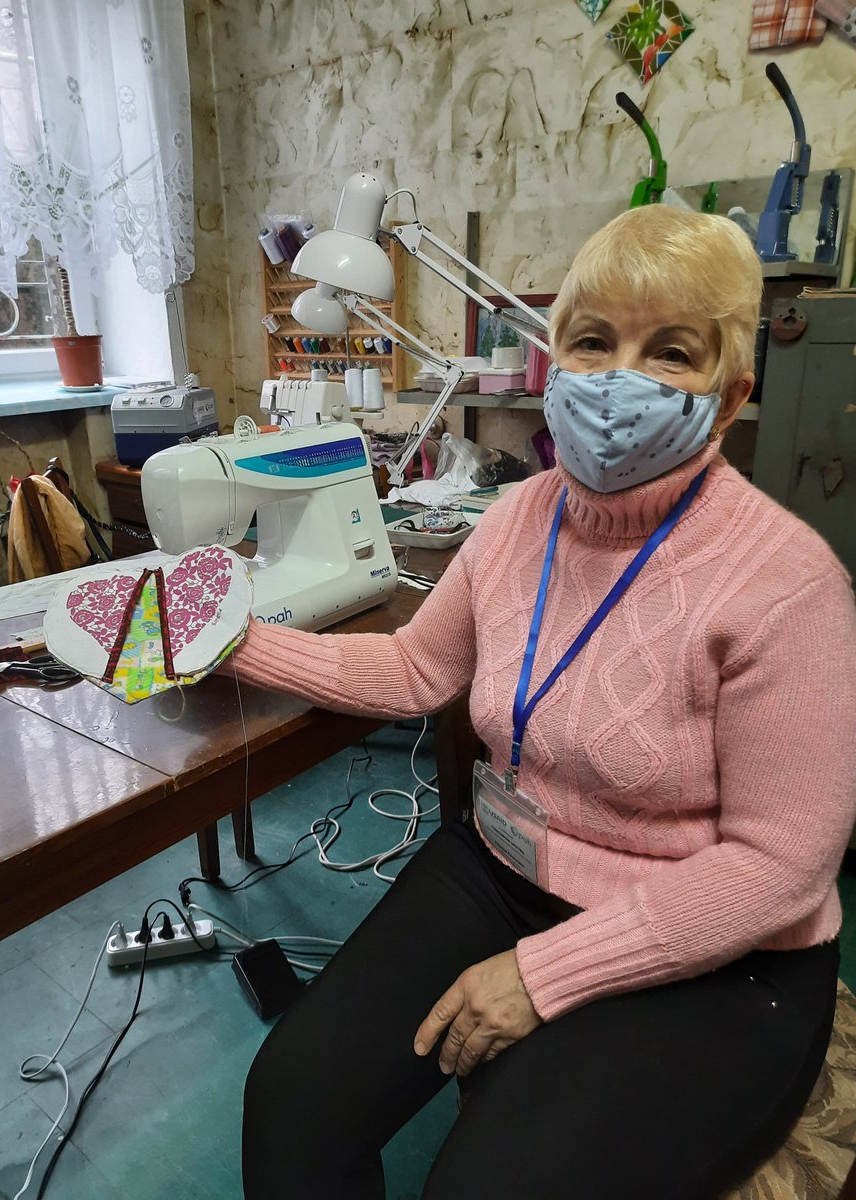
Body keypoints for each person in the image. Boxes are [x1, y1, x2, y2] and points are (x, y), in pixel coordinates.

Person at [227, 204, 856, 1199]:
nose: (618, 379)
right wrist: (234, 642)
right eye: (593, 342)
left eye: (671, 353)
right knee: (291, 1104)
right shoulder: (521, 516)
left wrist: (542, 974)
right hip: (508, 865)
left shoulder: (788, 582)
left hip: (722, 948)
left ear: (731, 395)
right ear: (553, 362)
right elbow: (415, 670)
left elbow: (781, 868)